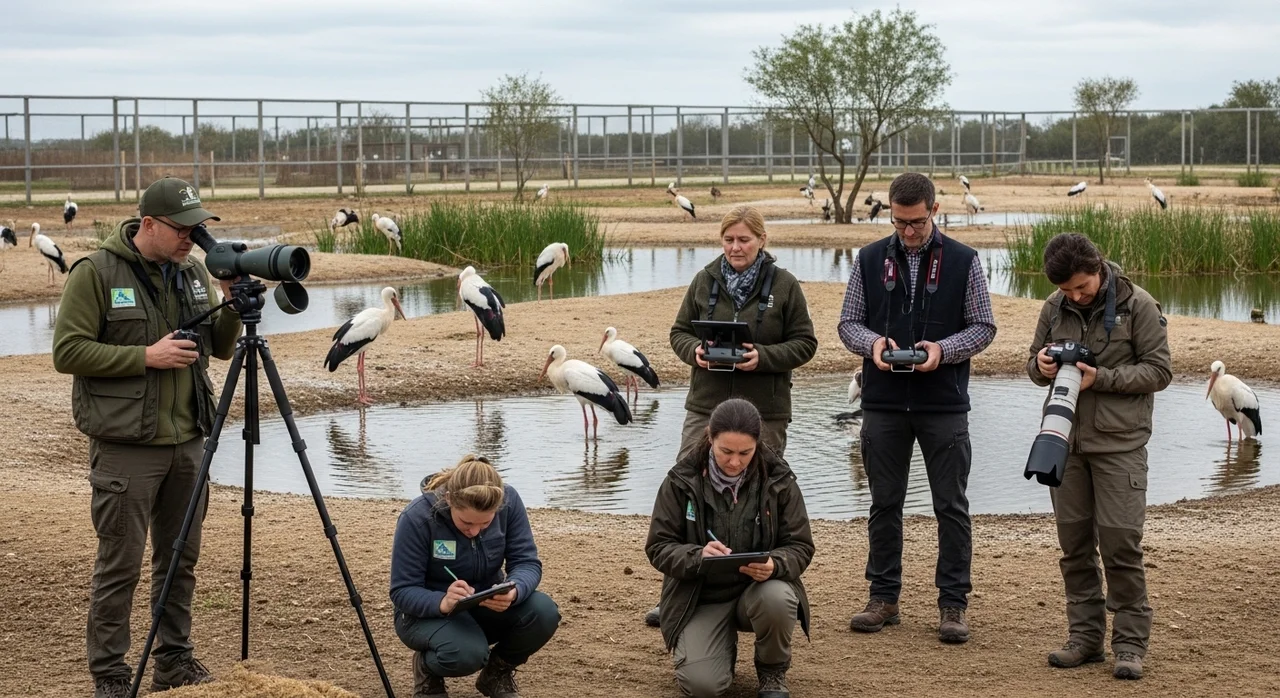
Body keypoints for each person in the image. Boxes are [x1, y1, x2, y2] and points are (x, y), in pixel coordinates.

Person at [51, 177, 242, 698]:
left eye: (197, 228)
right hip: (126, 447)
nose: (191, 238)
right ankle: (110, 675)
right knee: (121, 564)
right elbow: (67, 352)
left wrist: (229, 301)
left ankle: (173, 661)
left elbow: (220, 349)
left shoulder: (192, 273)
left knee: (180, 561)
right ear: (149, 225)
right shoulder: (95, 273)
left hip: (187, 443)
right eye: (182, 229)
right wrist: (145, 356)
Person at [836, 172, 996, 644]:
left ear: (934, 211)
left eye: (916, 223)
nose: (907, 231)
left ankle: (953, 605)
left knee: (951, 506)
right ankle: (883, 598)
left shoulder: (965, 260)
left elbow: (983, 327)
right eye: (899, 221)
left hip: (944, 403)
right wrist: (874, 345)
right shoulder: (868, 259)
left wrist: (941, 352)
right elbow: (848, 324)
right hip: (883, 402)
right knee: (884, 503)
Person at [651, 205, 817, 629]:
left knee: (761, 496)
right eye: (729, 239)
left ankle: (763, 587)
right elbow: (677, 334)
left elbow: (805, 344)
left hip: (766, 411)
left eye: (744, 239)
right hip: (705, 407)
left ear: (762, 240)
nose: (736, 247)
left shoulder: (785, 285)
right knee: (689, 491)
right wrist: (696, 353)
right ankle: (678, 592)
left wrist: (762, 357)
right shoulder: (704, 280)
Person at [1026, 233, 1171, 680]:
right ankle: (1085, 639)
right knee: (1073, 549)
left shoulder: (1139, 304)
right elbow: (1033, 363)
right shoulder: (1054, 307)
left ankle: (1128, 646)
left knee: (1120, 547)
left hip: (1120, 448)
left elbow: (1160, 370)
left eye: (1081, 288)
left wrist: (1100, 377)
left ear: (1099, 267)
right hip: (1064, 444)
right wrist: (1042, 367)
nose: (1074, 296)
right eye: (1067, 290)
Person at [646, 399, 814, 698]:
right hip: (699, 598)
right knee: (703, 687)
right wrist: (697, 556)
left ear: (757, 444)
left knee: (778, 597)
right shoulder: (679, 480)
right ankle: (719, 650)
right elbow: (659, 546)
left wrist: (775, 564)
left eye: (744, 453)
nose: (735, 462)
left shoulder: (780, 479)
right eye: (726, 451)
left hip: (758, 592)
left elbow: (800, 546)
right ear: (710, 436)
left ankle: (772, 672)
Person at [390, 455, 560, 698]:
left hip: (482, 603)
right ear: (449, 499)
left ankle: (496, 674)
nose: (474, 531)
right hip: (425, 614)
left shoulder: (509, 501)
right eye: (466, 522)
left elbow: (526, 562)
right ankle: (428, 671)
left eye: (486, 523)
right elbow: (402, 591)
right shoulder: (417, 518)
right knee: (467, 654)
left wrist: (515, 591)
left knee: (544, 612)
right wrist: (442, 602)